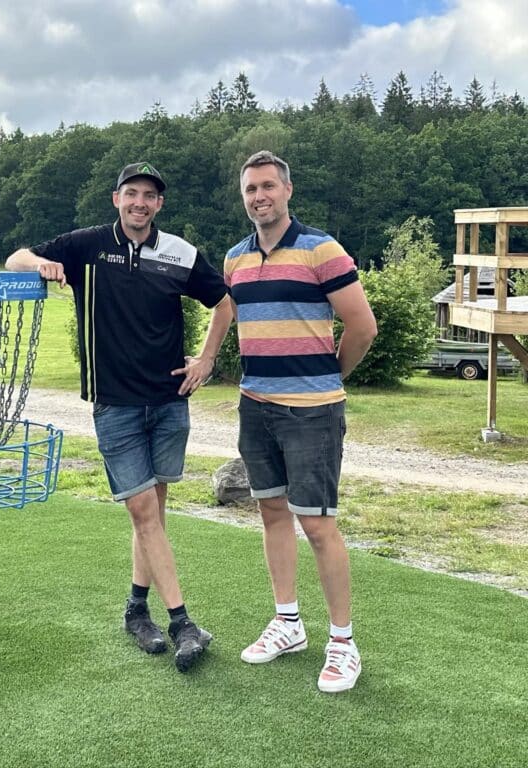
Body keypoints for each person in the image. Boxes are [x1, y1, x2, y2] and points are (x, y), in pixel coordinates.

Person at [6, 162, 233, 673]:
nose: (140, 203)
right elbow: (17, 257)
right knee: (145, 514)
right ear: (116, 199)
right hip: (115, 405)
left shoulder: (180, 253)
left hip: (170, 401)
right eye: (132, 193)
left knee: (151, 515)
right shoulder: (86, 245)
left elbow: (224, 303)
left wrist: (206, 359)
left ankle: (136, 610)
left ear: (159, 204)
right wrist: (40, 265)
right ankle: (182, 623)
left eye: (149, 195)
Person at [224, 151, 377, 693]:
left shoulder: (321, 249)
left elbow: (362, 326)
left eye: (268, 186)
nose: (259, 196)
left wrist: (330, 376)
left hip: (312, 412)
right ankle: (287, 623)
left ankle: (343, 642)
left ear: (287, 190)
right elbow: (231, 316)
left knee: (317, 524)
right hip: (255, 405)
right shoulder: (235, 259)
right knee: (271, 513)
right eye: (250, 189)